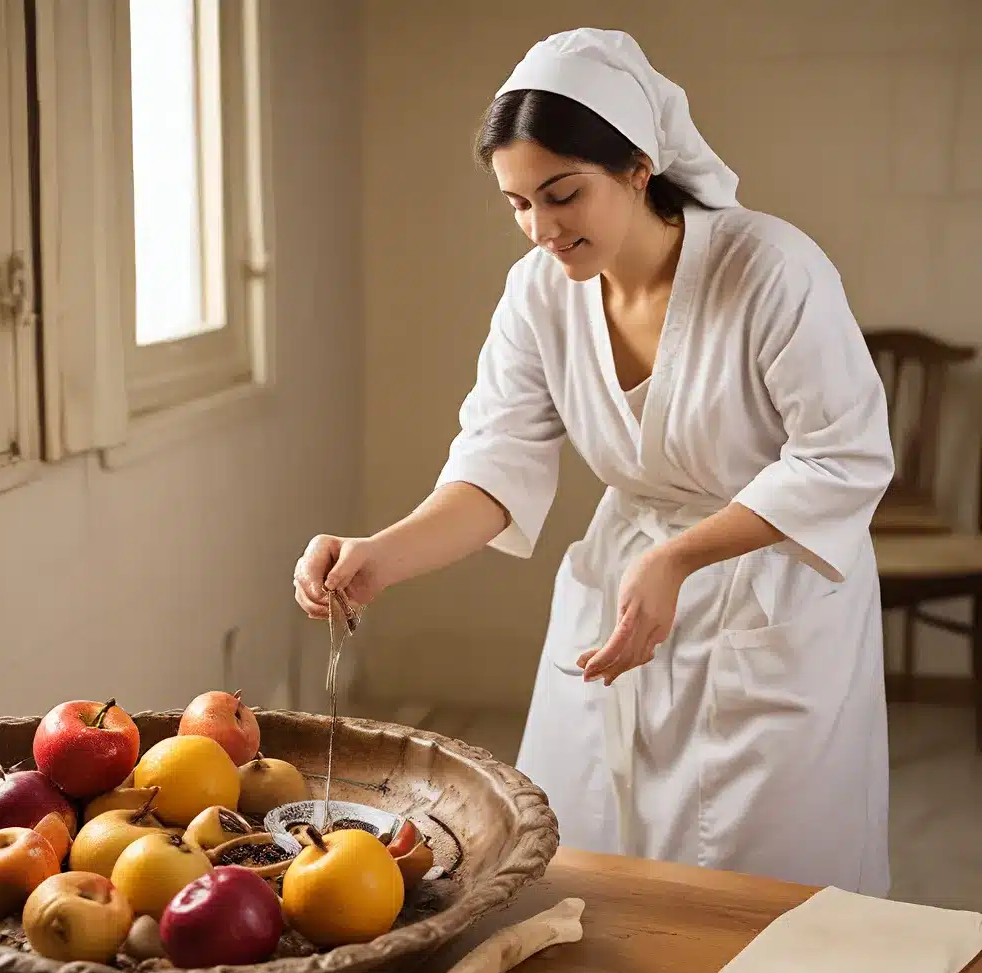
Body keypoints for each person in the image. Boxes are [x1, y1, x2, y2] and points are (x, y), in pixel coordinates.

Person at [294, 28, 895, 895]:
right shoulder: (539, 295)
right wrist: (377, 557)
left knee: (767, 888)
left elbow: (844, 457)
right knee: (585, 863)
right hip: (623, 587)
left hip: (773, 593)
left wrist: (679, 556)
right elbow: (497, 463)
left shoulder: (771, 270)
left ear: (640, 167)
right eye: (517, 204)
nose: (541, 228)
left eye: (562, 194)